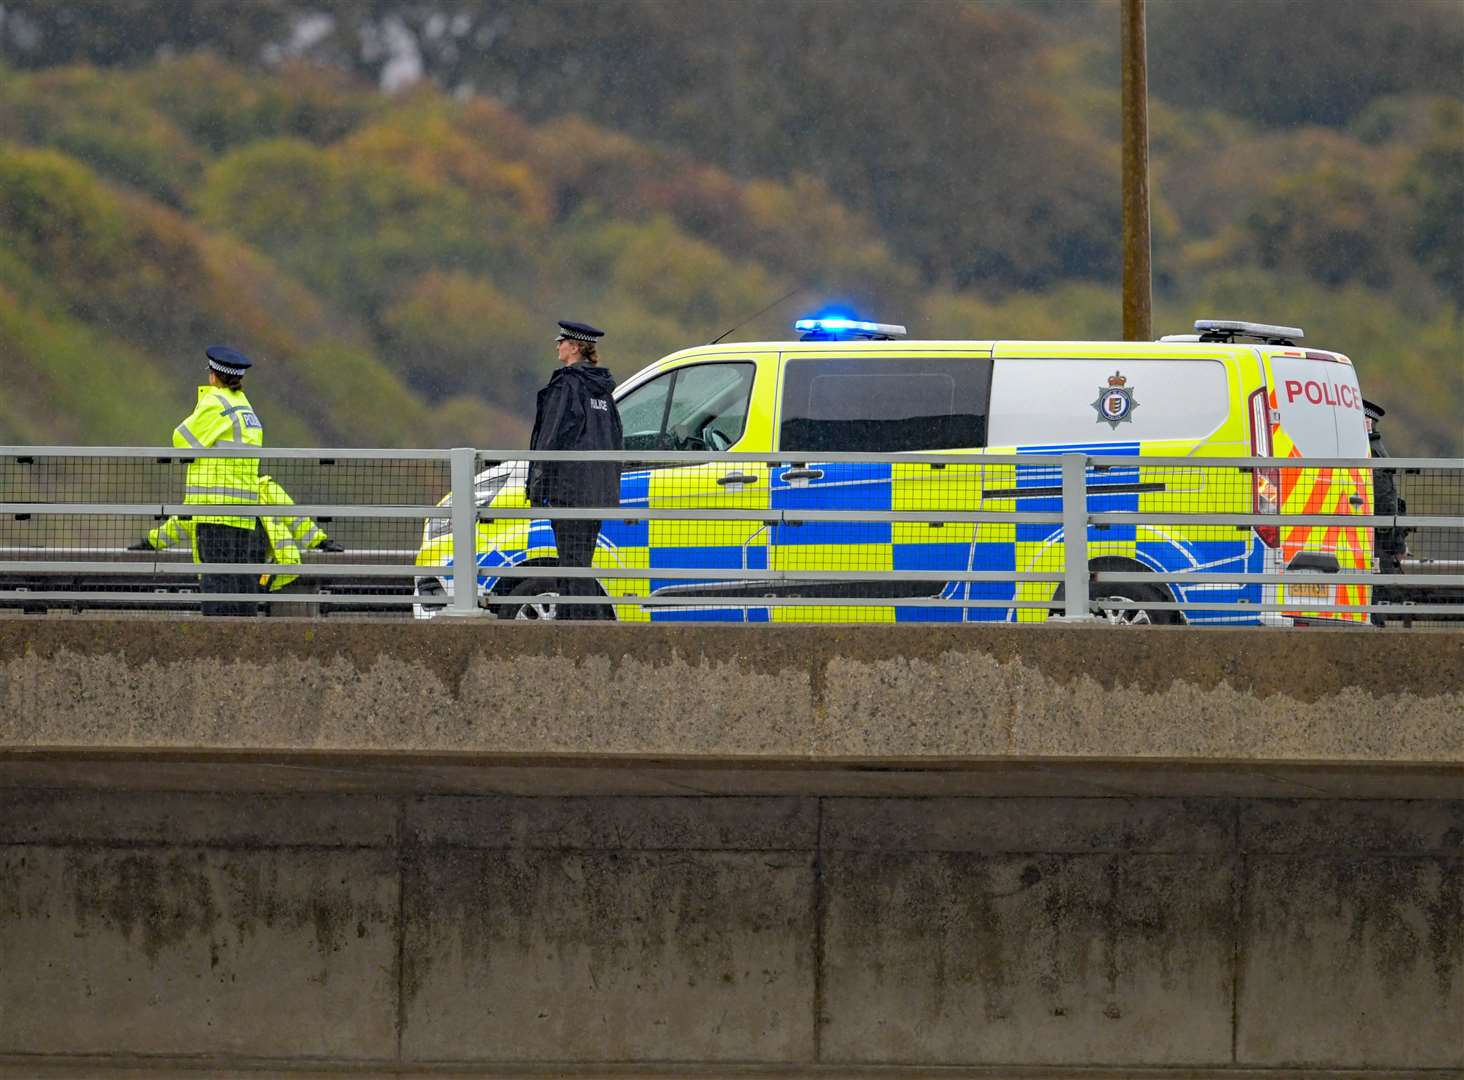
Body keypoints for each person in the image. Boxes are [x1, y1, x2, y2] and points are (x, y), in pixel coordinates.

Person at [525, 320, 623, 619]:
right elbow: (615, 437)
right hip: (596, 491)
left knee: (570, 562)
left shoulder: (567, 385)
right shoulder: (602, 390)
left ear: (575, 347)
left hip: (568, 489)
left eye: (562, 342)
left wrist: (537, 484)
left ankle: (578, 627)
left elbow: (550, 437)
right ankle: (576, 622)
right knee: (581, 560)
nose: (557, 346)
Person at [171, 345, 268, 616]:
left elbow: (182, 440)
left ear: (213, 375)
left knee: (216, 575)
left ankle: (218, 637)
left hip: (215, 507)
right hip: (244, 510)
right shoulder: (245, 407)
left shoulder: (215, 404)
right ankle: (245, 635)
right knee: (240, 574)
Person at [1363, 399, 1410, 626]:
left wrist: (1393, 542)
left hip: (1378, 540)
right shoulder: (1377, 450)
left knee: (1374, 607)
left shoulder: (1371, 453)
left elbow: (1384, 504)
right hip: (1383, 540)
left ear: (1367, 422)